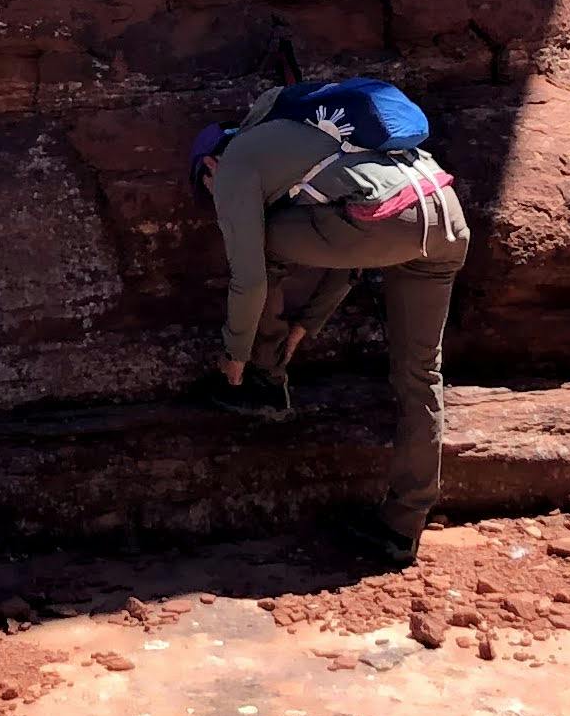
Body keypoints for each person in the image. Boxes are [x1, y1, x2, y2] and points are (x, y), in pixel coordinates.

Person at [194, 91, 470, 568]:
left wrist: (233, 357)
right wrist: (309, 324)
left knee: (262, 245)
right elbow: (348, 258)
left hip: (387, 223)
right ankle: (402, 526)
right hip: (446, 220)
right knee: (421, 376)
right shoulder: (318, 138)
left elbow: (250, 277)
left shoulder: (235, 163)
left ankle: (262, 377)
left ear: (208, 166)